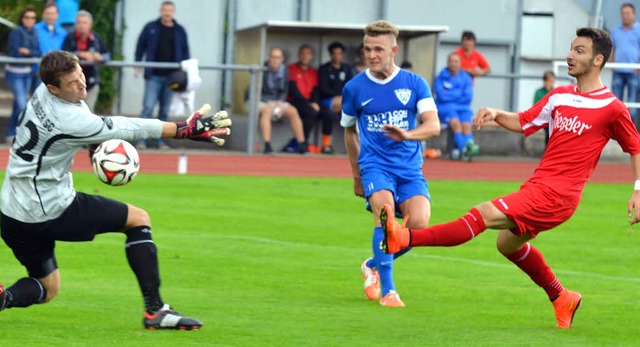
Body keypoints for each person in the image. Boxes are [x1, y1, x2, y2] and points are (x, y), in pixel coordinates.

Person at [380, 27, 640, 328]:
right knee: (507, 245)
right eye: (571, 48)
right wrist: (496, 113)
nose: (570, 55)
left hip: (558, 197)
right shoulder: (559, 96)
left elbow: (635, 147)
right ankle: (562, 298)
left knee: (483, 214)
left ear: (598, 60)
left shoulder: (612, 108)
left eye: (579, 51)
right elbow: (526, 121)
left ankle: (404, 237)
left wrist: (637, 190)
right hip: (538, 186)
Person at [0, 50, 232, 330]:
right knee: (138, 219)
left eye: (81, 76)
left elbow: (83, 124)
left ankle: (5, 298)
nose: (82, 85)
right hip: (49, 209)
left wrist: (91, 143)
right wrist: (182, 129)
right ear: (53, 88)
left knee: (48, 288)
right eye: (72, 83)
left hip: (11, 213)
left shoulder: (42, 92)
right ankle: (156, 312)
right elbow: (124, 126)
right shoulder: (69, 119)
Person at [342, 20, 440, 307]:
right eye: (367, 49)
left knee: (419, 226)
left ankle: (372, 264)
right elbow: (349, 130)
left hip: (409, 168)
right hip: (374, 165)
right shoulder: (355, 88)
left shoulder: (414, 83)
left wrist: (408, 134)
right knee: (385, 217)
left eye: (378, 49)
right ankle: (389, 291)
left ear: (393, 50)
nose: (372, 55)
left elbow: (433, 126)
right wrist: (357, 175)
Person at [135, 1, 190, 149]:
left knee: (164, 111)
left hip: (172, 78)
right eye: (165, 10)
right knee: (147, 108)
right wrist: (138, 64)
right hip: (153, 75)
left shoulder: (179, 31)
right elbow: (141, 46)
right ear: (160, 11)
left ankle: (159, 140)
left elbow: (185, 52)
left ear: (173, 12)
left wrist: (185, 72)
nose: (167, 13)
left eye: (170, 10)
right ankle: (141, 139)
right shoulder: (151, 27)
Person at [258, 47, 307, 154]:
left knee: (293, 111)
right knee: (266, 111)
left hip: (276, 100)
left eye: (278, 57)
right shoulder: (263, 69)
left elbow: (284, 89)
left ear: (282, 59)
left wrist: (280, 102)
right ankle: (267, 144)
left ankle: (302, 144)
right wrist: (268, 102)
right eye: (273, 57)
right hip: (261, 100)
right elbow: (256, 89)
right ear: (269, 58)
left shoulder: (284, 70)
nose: (275, 60)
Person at [4, 6, 41, 144]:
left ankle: (10, 134)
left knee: (17, 105)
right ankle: (24, 136)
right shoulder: (16, 32)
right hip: (15, 73)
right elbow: (15, 53)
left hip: (28, 73)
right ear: (22, 18)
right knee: (21, 104)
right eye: (27, 17)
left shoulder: (35, 32)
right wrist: (29, 53)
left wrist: (28, 52)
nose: (30, 20)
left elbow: (38, 52)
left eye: (33, 17)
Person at [62, 10, 110, 111]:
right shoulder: (69, 38)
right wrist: (83, 54)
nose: (81, 25)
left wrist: (100, 57)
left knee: (88, 113)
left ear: (90, 25)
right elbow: (63, 56)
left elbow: (107, 55)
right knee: (72, 113)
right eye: (79, 22)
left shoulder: (96, 38)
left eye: (84, 22)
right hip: (72, 84)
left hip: (91, 83)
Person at [434, 52, 478, 161]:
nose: (453, 64)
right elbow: (441, 96)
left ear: (460, 63)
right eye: (451, 61)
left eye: (456, 61)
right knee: (456, 124)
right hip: (446, 108)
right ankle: (466, 149)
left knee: (467, 125)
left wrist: (450, 93)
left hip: (463, 108)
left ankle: (466, 148)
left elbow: (468, 97)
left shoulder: (466, 77)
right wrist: (459, 93)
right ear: (447, 63)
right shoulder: (440, 77)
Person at [288, 44, 325, 153]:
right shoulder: (292, 69)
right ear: (299, 55)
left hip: (308, 103)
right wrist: (309, 104)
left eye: (308, 54)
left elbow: (315, 91)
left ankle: (325, 146)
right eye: (303, 53)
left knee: (328, 113)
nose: (305, 56)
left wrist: (314, 102)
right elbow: (293, 91)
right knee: (311, 112)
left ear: (312, 56)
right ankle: (303, 142)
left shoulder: (314, 72)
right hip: (294, 101)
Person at [319, 41, 353, 154]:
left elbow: (350, 87)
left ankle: (354, 145)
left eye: (339, 53)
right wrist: (338, 96)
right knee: (349, 108)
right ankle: (326, 145)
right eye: (334, 53)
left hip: (341, 102)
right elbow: (324, 89)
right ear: (330, 54)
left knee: (354, 114)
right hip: (326, 101)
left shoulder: (346, 69)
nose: (337, 56)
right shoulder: (324, 69)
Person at [610, 2, 640, 126]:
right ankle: (617, 130)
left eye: (628, 13)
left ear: (634, 14)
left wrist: (638, 66)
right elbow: (613, 49)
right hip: (618, 71)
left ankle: (629, 131)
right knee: (616, 103)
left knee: (632, 104)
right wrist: (612, 63)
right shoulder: (615, 31)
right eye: (623, 13)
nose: (625, 16)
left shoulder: (638, 30)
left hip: (634, 72)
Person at [32, 1, 67, 93]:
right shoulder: (35, 29)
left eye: (52, 13)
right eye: (47, 13)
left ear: (57, 15)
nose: (50, 16)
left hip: (56, 74)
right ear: (43, 14)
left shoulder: (63, 32)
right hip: (38, 72)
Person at [533, 70, 556, 146]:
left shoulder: (556, 92)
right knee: (548, 131)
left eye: (551, 81)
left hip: (554, 117)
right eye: (548, 81)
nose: (549, 83)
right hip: (543, 117)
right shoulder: (539, 92)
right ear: (544, 81)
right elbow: (536, 106)